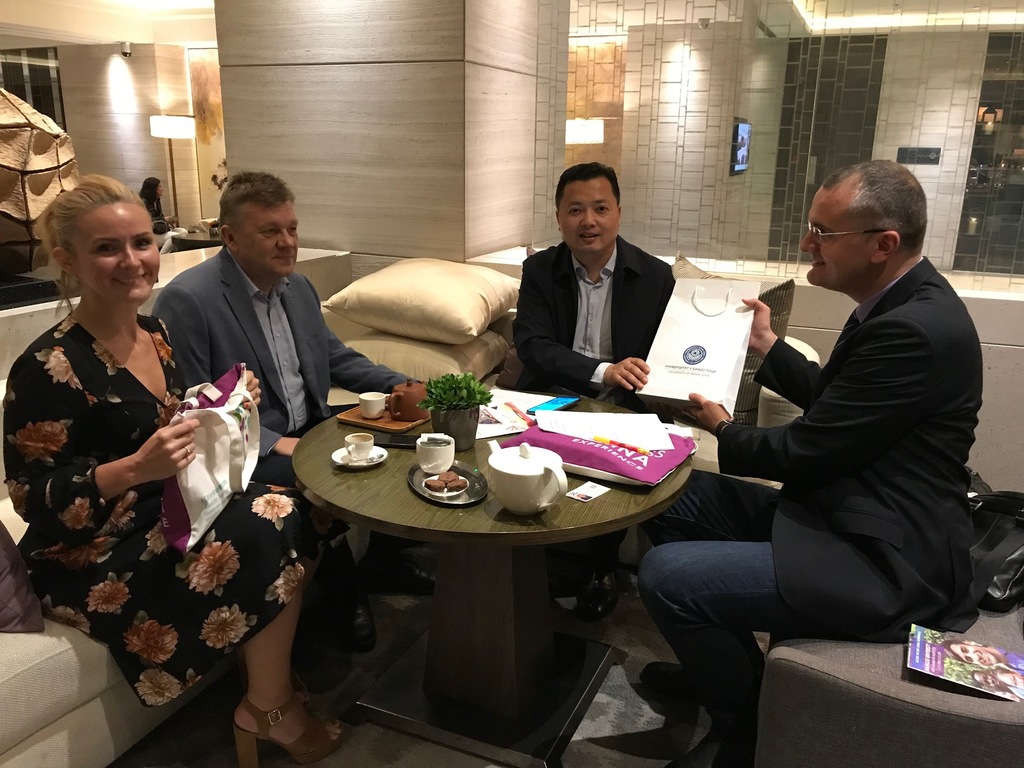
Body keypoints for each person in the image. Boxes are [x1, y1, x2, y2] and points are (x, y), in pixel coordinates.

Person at [637, 160, 983, 768]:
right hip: (842, 514)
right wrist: (767, 345)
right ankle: (723, 670)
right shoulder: (895, 302)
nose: (806, 243)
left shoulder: (914, 330)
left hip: (885, 558)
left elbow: (807, 452)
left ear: (883, 245)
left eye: (823, 232)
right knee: (671, 494)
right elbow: (842, 405)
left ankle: (746, 734)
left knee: (668, 575)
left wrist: (722, 427)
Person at [3, 175, 343, 765]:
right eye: (107, 248)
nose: (132, 260)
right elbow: (34, 499)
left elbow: (177, 421)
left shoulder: (154, 334)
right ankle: (269, 709)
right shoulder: (48, 365)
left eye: (142, 242)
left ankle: (262, 681)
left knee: (307, 505)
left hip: (170, 507)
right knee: (269, 518)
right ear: (68, 260)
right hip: (92, 548)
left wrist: (229, 405)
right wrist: (134, 468)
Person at [152, 170, 434, 650]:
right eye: (270, 231)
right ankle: (347, 591)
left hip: (313, 425)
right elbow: (192, 407)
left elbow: (337, 358)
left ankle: (383, 560)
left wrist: (403, 386)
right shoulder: (189, 299)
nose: (287, 242)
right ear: (230, 237)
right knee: (331, 477)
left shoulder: (298, 288)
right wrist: (276, 443)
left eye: (292, 228)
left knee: (408, 442)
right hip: (249, 448)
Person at [512, 162, 675, 621]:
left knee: (621, 461)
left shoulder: (655, 276)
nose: (589, 221)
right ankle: (524, 559)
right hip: (554, 391)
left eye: (600, 208)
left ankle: (600, 567)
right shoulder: (540, 269)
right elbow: (533, 345)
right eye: (576, 210)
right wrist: (602, 371)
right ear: (559, 217)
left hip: (627, 400)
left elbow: (666, 351)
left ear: (618, 213)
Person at [138, 177, 186, 253]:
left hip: (160, 230)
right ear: (153, 189)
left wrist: (168, 220)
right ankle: (162, 256)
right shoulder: (143, 203)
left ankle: (172, 253)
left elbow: (158, 217)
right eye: (159, 186)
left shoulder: (156, 201)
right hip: (151, 233)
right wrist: (164, 219)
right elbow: (145, 221)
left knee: (183, 232)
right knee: (175, 237)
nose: (162, 189)